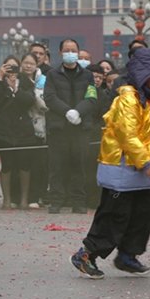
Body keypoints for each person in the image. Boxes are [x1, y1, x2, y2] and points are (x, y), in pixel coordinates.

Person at [70, 48, 150, 279]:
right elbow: (128, 136)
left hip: (137, 168)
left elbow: (149, 124)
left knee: (143, 213)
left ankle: (127, 255)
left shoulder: (146, 97)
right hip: (122, 166)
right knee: (114, 215)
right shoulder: (128, 99)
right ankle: (86, 253)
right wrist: (147, 164)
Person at [44, 39, 98, 214]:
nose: (70, 53)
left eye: (73, 50)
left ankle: (78, 201)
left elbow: (91, 97)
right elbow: (50, 97)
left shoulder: (87, 75)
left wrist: (79, 112)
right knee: (56, 167)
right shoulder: (52, 75)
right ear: (60, 54)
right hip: (59, 127)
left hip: (80, 128)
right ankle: (56, 200)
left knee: (79, 166)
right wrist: (67, 112)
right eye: (66, 50)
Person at [0, 56, 37, 210]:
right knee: (7, 163)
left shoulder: (26, 82)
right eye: (8, 67)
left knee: (24, 163)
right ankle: (7, 199)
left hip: (23, 129)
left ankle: (23, 199)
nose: (12, 70)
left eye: (15, 67)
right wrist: (1, 77)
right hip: (4, 128)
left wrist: (15, 88)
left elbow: (29, 100)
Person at [20, 52, 48, 209]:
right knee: (21, 164)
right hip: (19, 127)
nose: (28, 66)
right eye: (25, 62)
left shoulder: (43, 80)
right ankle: (19, 197)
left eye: (32, 63)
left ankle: (34, 197)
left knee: (38, 165)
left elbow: (44, 105)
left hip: (38, 128)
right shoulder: (15, 79)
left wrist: (33, 90)